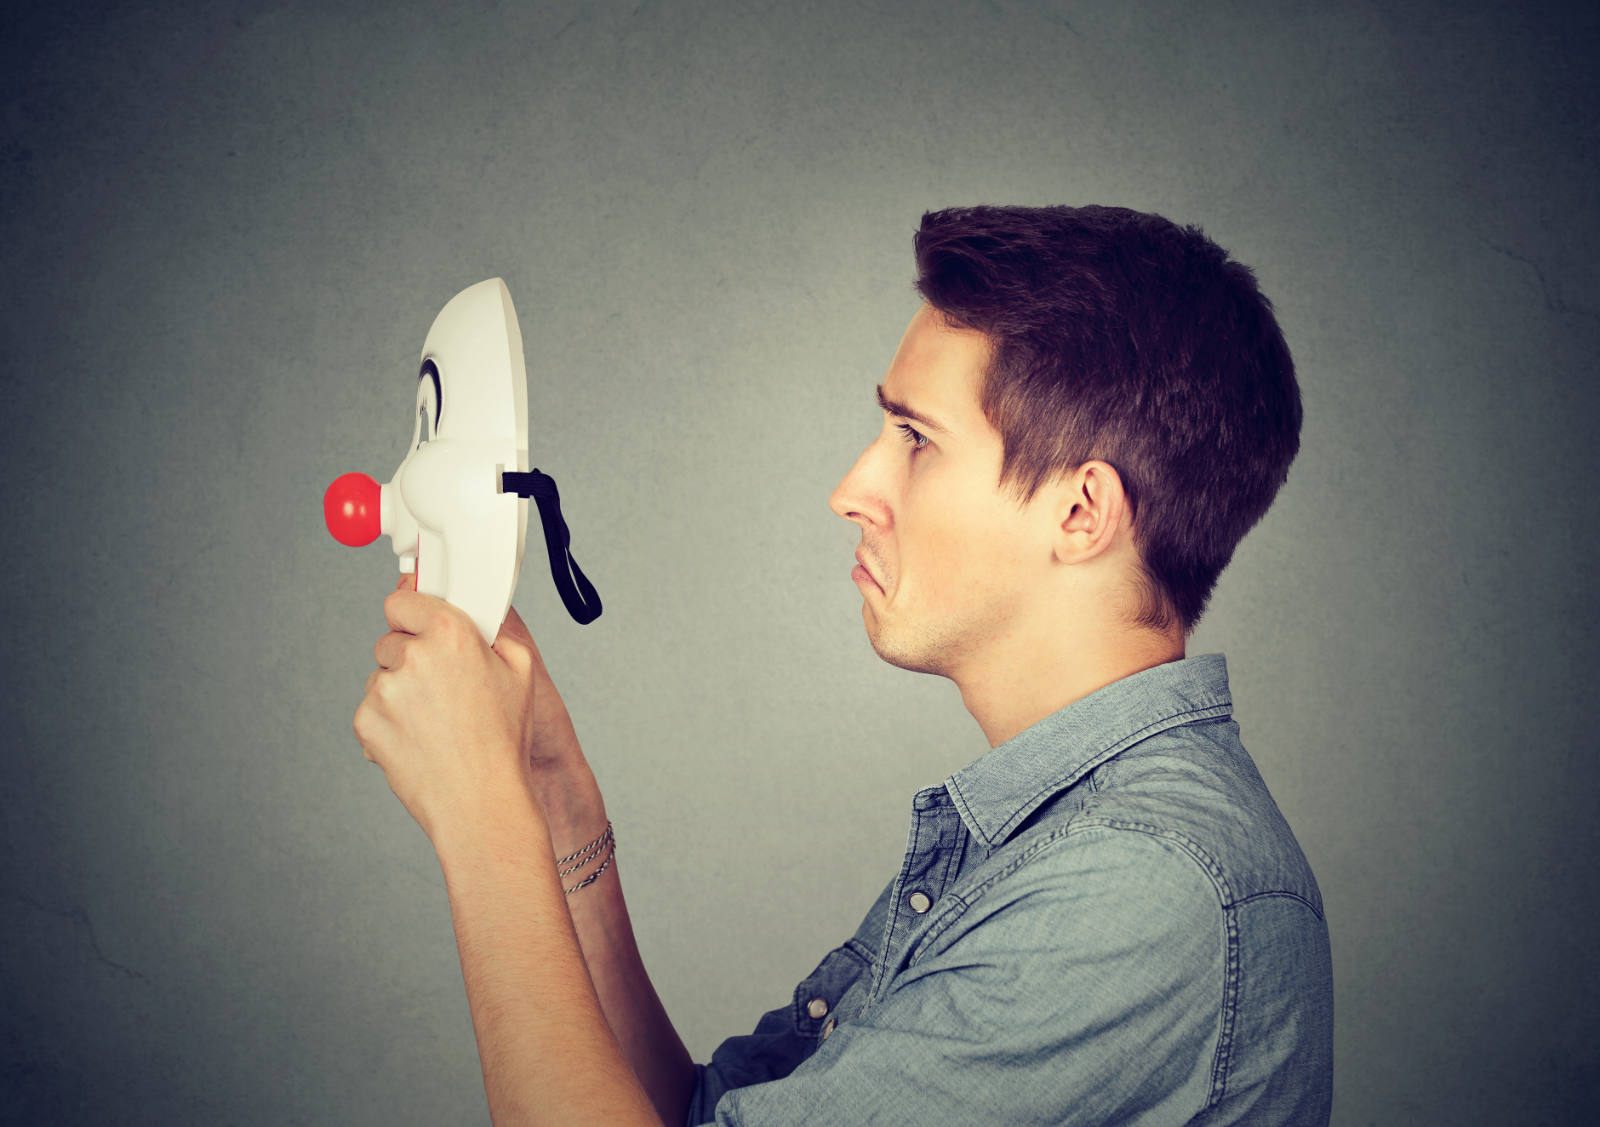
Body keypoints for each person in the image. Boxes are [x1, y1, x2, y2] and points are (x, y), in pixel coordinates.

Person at [354, 204, 1333, 1126]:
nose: (850, 488)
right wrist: (549, 798)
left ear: (1080, 512)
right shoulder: (1052, 838)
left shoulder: (1136, 887)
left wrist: (479, 818)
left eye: (915, 439)